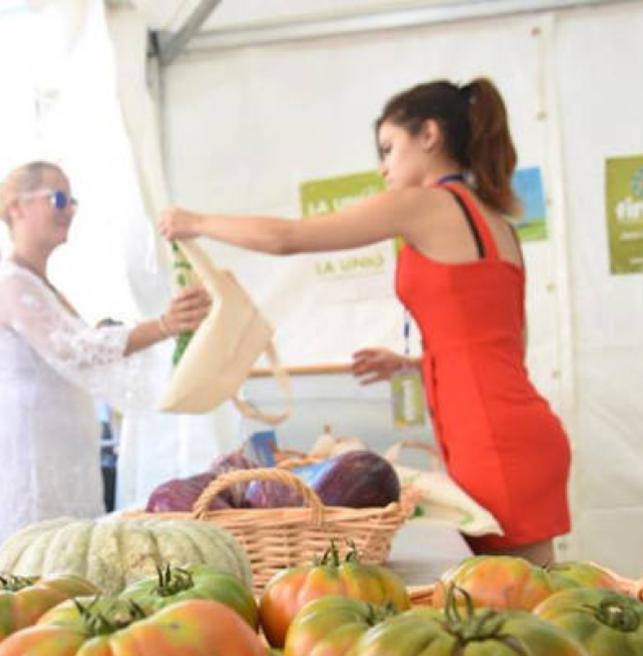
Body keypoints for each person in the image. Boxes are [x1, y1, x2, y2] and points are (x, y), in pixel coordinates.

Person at [159, 78, 570, 566]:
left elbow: (290, 237)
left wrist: (197, 222)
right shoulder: (497, 221)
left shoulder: (424, 203)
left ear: (429, 136)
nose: (383, 167)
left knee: (518, 606)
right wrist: (419, 363)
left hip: (491, 438)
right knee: (532, 599)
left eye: (389, 148)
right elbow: (501, 345)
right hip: (514, 426)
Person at [0, 161, 211, 549]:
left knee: (74, 555)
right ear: (16, 207)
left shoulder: (39, 283)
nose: (69, 210)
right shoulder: (8, 282)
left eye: (72, 201)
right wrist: (164, 325)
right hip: (31, 452)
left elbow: (86, 346)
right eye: (58, 198)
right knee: (38, 559)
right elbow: (74, 349)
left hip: (64, 449)